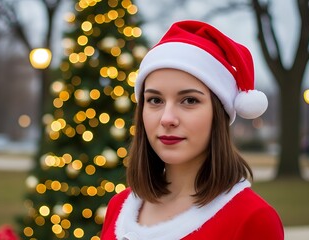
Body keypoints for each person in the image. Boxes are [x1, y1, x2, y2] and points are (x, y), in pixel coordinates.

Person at [100, 20, 284, 240]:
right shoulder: (119, 206)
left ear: (218, 113)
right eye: (155, 100)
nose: (167, 119)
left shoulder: (253, 219)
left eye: (189, 100)